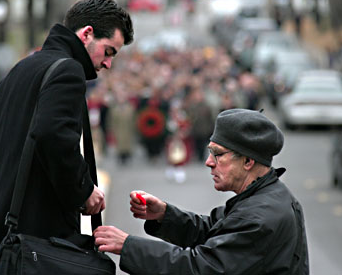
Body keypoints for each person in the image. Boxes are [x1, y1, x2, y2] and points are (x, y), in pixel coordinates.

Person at [0, 0, 133, 275]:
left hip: (3, 246)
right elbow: (52, 134)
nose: (108, 63)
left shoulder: (21, 69)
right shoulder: (68, 70)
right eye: (109, 51)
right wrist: (84, 191)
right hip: (39, 250)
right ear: (87, 34)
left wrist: (15, 189)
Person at [94, 108, 309, 274]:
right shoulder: (262, 196)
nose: (208, 162)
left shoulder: (260, 215)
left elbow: (200, 268)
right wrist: (165, 215)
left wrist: (127, 245)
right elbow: (216, 230)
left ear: (248, 161)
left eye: (218, 154)